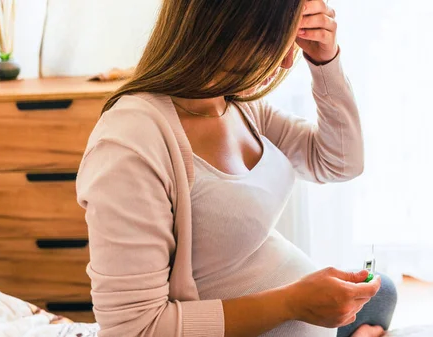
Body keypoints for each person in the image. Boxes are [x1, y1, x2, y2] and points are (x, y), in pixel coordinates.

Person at [76, 0, 397, 336]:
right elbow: (135, 329)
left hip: (297, 310)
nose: (288, 61)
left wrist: (324, 60)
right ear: (223, 24)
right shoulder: (131, 143)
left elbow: (340, 162)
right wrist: (293, 302)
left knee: (382, 291)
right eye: (276, 40)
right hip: (270, 313)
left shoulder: (233, 104)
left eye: (294, 40)